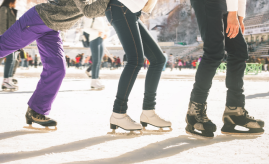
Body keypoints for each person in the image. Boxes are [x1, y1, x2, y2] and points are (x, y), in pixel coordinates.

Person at [0, 0, 110, 129]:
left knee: (57, 68)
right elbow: (89, 10)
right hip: (39, 19)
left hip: (52, 26)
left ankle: (36, 111)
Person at [185, 0, 264, 138]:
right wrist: (233, 13)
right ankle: (194, 110)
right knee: (214, 52)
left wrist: (239, 15)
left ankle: (234, 111)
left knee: (238, 51)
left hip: (226, 3)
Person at [105, 0, 171, 134]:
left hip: (131, 11)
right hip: (121, 6)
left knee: (158, 59)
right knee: (135, 60)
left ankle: (148, 112)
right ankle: (118, 113)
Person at [83, 16, 109, 89]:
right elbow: (86, 28)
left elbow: (106, 29)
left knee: (98, 61)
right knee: (96, 61)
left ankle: (96, 80)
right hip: (94, 39)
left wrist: (106, 34)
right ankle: (94, 81)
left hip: (101, 39)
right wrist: (98, 32)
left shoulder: (102, 18)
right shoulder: (92, 16)